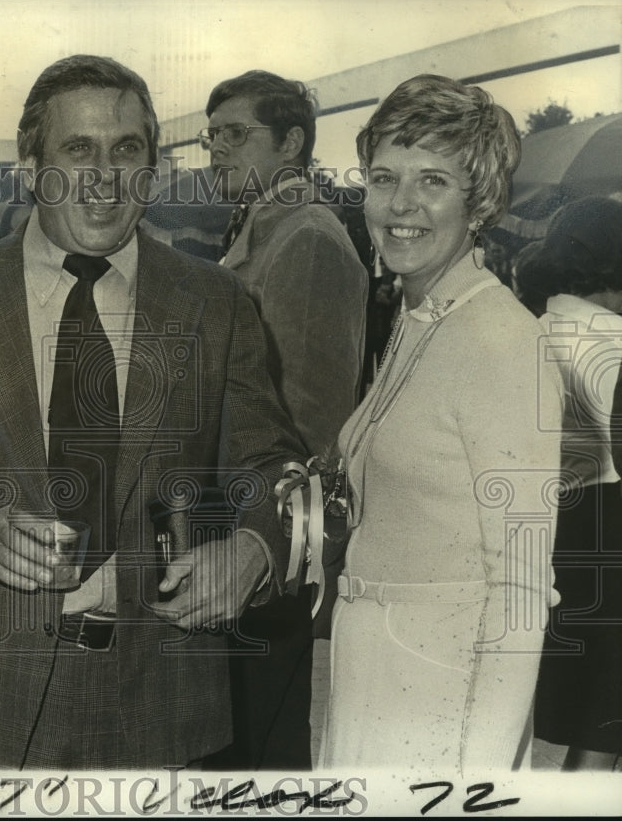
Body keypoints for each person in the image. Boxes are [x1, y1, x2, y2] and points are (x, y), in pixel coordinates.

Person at [0, 54, 305, 769]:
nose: (106, 179)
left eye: (127, 150)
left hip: (165, 709)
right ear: (30, 165)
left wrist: (255, 547)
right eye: (78, 150)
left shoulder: (217, 301)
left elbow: (270, 463)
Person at [319, 74, 562, 771]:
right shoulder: (420, 316)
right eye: (384, 177)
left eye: (432, 181)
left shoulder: (500, 340)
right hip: (377, 673)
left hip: (441, 700)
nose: (400, 204)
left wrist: (476, 780)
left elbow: (520, 585)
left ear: (478, 201)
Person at [199, 70, 368, 770]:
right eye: (212, 137)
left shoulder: (308, 240)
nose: (216, 151)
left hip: (266, 541)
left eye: (236, 135)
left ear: (292, 141)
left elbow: (307, 420)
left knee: (259, 752)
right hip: (236, 530)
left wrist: (262, 546)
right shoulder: (264, 227)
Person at [523, 196, 622, 771]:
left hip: (541, 533)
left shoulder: (526, 332)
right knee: (606, 721)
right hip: (610, 530)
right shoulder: (614, 342)